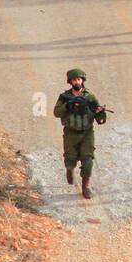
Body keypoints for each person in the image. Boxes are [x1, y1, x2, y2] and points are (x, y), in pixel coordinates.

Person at [52, 68, 106, 199]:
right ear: (70, 82)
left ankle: (85, 187)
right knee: (70, 159)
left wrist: (100, 112)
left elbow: (101, 119)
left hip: (87, 133)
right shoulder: (65, 97)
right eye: (74, 80)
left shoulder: (90, 97)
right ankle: (70, 170)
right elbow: (56, 113)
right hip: (70, 133)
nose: (77, 82)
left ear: (83, 80)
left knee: (88, 161)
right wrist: (67, 106)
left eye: (79, 79)